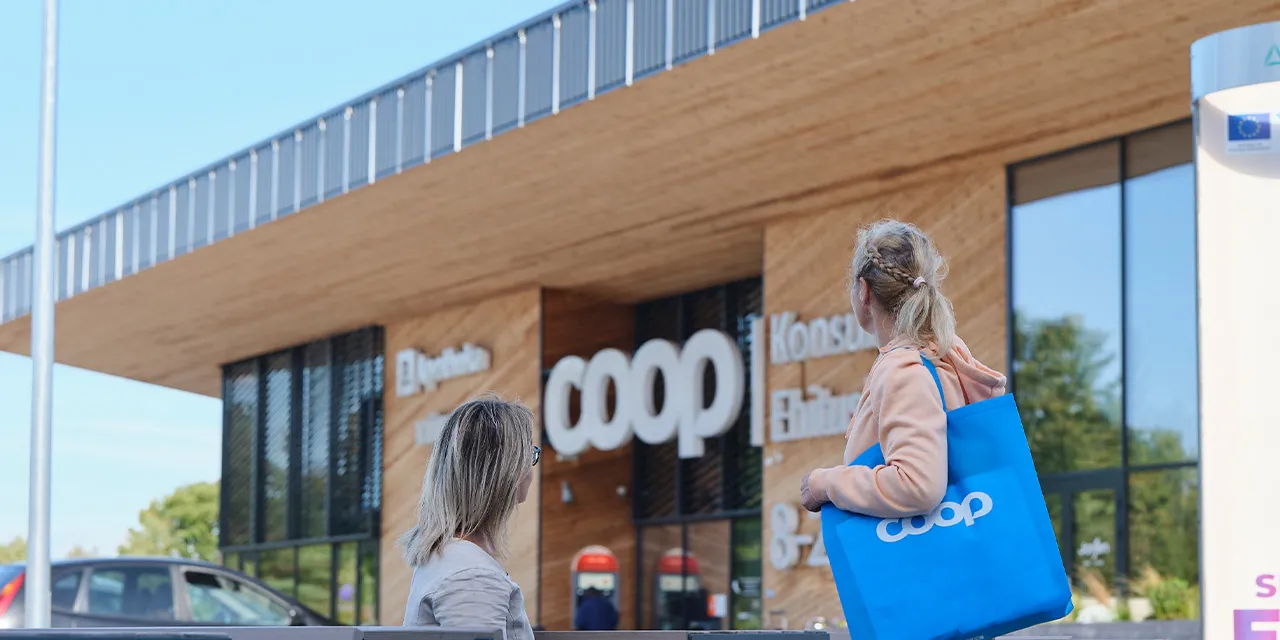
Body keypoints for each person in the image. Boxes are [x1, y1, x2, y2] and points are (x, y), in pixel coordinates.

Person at [799, 219, 1007, 517]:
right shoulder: (942, 358)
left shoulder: (902, 370)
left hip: (919, 549)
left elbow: (917, 485)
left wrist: (825, 484)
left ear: (863, 291)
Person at [400, 395, 540, 640]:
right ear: (508, 469)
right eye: (530, 453)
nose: (531, 466)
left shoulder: (450, 557)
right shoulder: (472, 577)